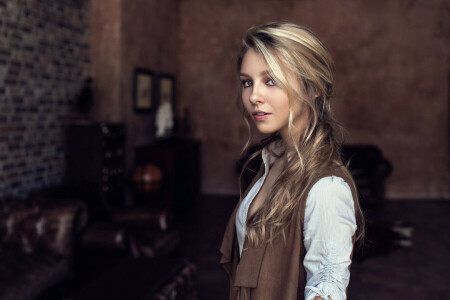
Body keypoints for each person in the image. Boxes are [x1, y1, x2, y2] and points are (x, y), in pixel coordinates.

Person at [219, 22, 365, 300]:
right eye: (247, 82)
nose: (254, 96)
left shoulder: (327, 188)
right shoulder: (272, 159)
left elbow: (327, 287)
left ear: (314, 88)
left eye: (271, 80)